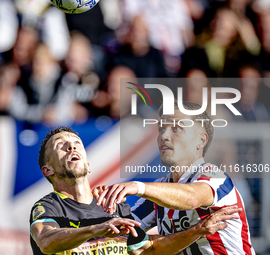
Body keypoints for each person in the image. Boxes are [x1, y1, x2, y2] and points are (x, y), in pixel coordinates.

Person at [30, 126, 242, 255]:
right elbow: (47, 242)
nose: (72, 147)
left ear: (88, 164)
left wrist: (198, 230)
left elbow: (150, 250)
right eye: (61, 145)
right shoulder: (48, 207)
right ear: (47, 170)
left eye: (77, 143)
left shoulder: (113, 208)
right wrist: (98, 229)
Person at [94, 101, 255, 254]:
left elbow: (192, 198)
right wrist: (106, 208)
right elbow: (121, 234)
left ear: (201, 140)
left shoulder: (215, 175)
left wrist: (137, 186)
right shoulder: (159, 191)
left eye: (176, 128)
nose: (164, 135)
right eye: (161, 128)